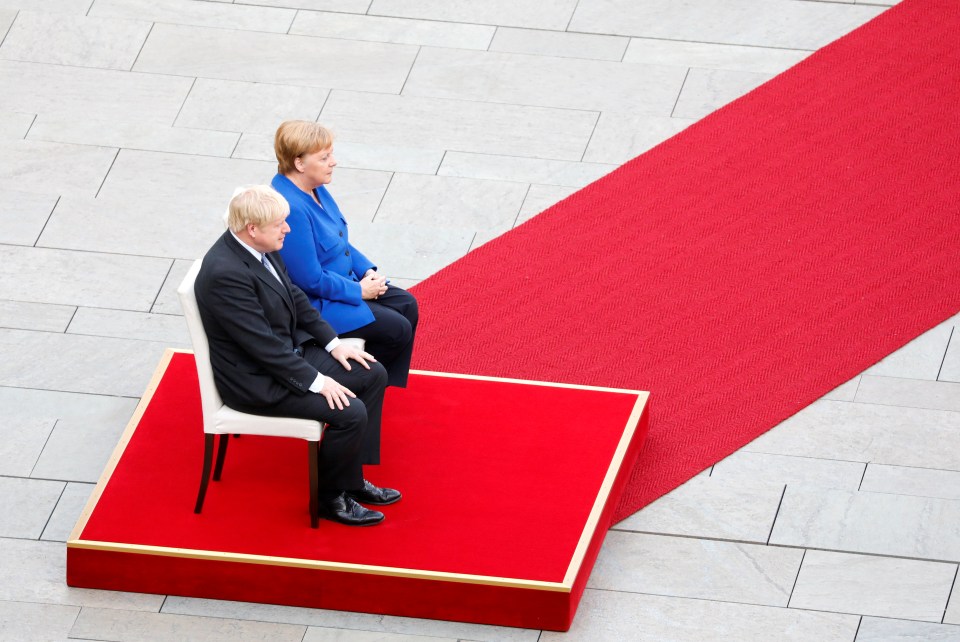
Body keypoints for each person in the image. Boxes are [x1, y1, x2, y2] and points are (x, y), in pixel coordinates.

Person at [193, 185, 401, 526]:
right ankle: (330, 499)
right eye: (280, 224)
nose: (287, 229)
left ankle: (349, 480)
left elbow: (295, 297)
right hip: (257, 380)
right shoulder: (225, 275)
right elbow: (261, 347)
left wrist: (334, 344)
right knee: (350, 412)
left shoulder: (262, 246)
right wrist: (318, 383)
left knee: (372, 373)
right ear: (253, 229)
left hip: (286, 354)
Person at [270, 121, 418, 406]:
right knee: (396, 328)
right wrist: (359, 291)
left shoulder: (314, 187)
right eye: (324, 157)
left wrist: (368, 271)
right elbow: (309, 280)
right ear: (299, 163)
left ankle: (375, 388)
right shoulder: (290, 207)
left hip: (346, 282)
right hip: (320, 304)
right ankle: (362, 390)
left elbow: (338, 238)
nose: (333, 162)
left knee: (406, 304)